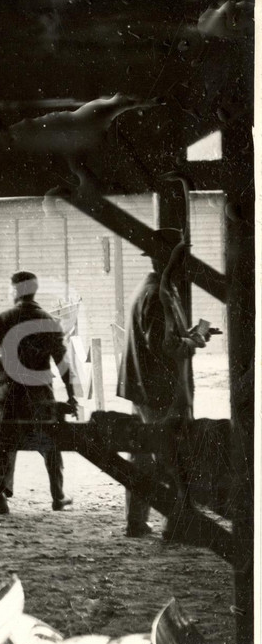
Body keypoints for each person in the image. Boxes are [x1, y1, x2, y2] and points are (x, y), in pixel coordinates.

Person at [118, 228, 210, 539]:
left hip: (144, 387)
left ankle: (136, 521)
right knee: (172, 455)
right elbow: (163, 347)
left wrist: (190, 336)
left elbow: (160, 340)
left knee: (143, 453)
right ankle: (177, 524)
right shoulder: (159, 294)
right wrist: (195, 340)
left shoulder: (151, 289)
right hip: (160, 390)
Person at [0, 270, 79, 515]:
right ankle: (58, 495)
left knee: (5, 444)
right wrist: (71, 395)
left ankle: (0, 495)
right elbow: (64, 363)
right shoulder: (50, 321)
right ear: (34, 291)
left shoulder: (2, 319)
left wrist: (2, 360)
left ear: (14, 290)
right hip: (39, 394)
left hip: (9, 393)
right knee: (50, 443)